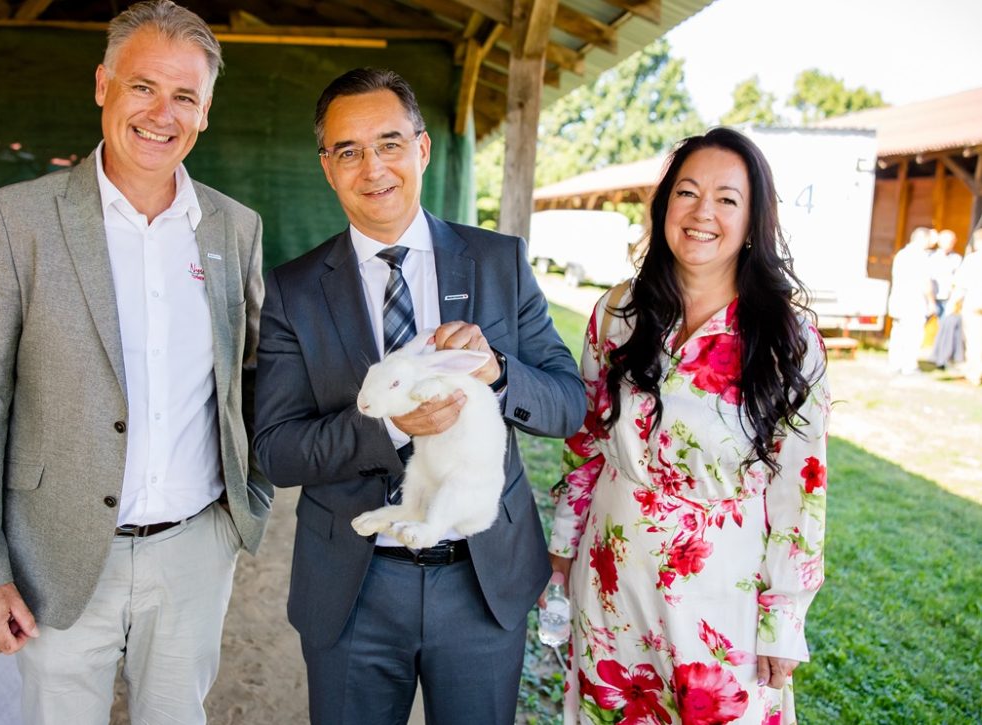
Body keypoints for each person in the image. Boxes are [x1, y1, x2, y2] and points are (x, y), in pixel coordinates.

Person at [0, 2, 271, 722]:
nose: (161, 113)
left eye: (184, 96)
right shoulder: (19, 219)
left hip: (194, 548)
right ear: (102, 86)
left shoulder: (234, 228)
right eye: (143, 86)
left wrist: (247, 505)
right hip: (53, 555)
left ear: (206, 112)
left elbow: (250, 377)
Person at [253, 67, 584, 725]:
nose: (372, 166)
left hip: (481, 577)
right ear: (327, 166)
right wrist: (392, 427)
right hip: (354, 585)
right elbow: (276, 450)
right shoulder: (293, 289)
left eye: (389, 142)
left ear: (423, 148)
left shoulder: (498, 261)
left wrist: (497, 371)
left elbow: (569, 403)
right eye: (348, 150)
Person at [548, 127, 831, 725]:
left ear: (754, 220)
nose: (703, 213)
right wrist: (564, 548)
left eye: (727, 199)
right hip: (612, 572)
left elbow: (800, 488)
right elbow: (588, 442)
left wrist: (784, 617)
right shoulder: (617, 313)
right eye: (687, 192)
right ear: (664, 206)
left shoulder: (789, 338)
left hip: (723, 586)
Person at [886, 227, 936, 374]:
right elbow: (925, 283)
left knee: (898, 333)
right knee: (913, 335)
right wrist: (931, 302)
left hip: (898, 300)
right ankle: (909, 365)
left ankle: (895, 363)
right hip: (914, 302)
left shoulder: (901, 254)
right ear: (923, 239)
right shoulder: (920, 256)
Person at [949, 229, 982, 385]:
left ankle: (974, 373)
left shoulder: (973, 260)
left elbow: (961, 284)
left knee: (974, 339)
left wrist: (953, 303)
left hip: (974, 303)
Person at [930, 229, 964, 369]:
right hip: (931, 296)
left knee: (945, 329)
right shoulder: (932, 257)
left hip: (947, 298)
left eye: (952, 241)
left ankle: (941, 360)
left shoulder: (956, 259)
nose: (950, 244)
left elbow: (959, 280)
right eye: (947, 240)